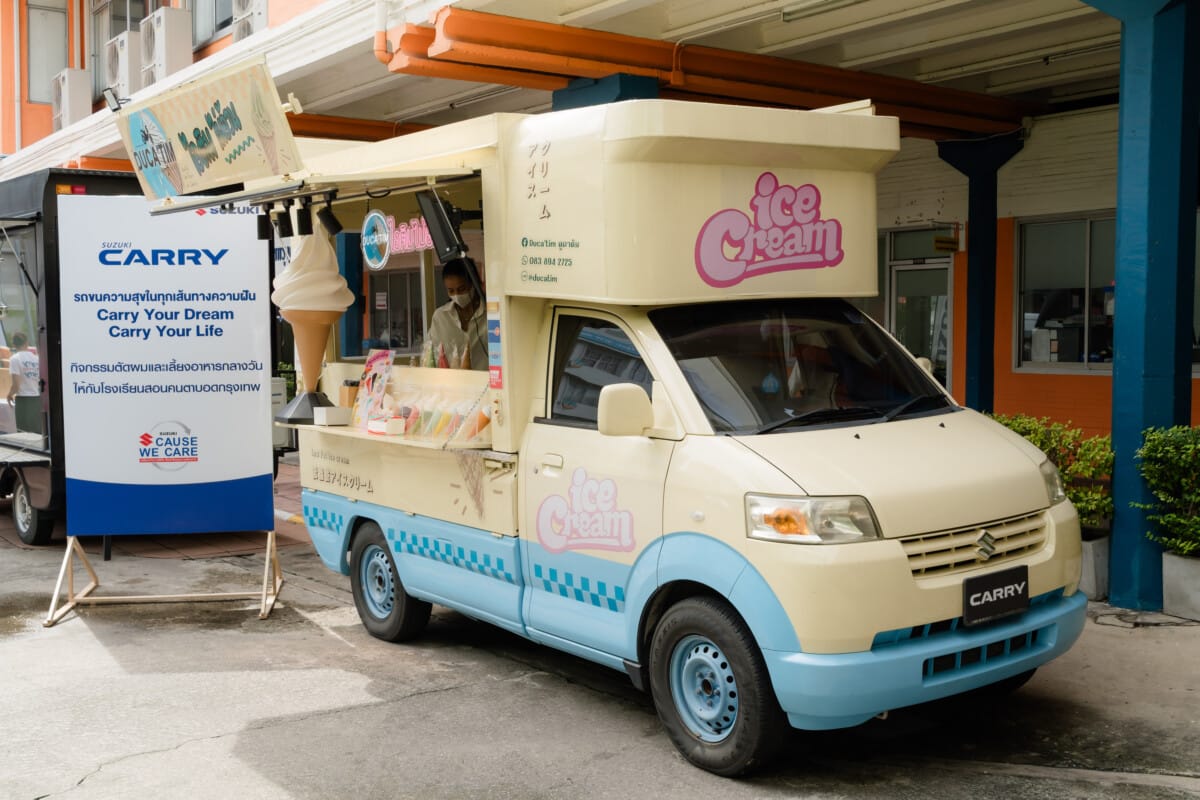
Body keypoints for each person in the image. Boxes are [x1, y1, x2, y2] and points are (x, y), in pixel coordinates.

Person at [428, 258, 487, 370]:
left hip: (486, 379)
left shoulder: (490, 314)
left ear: (473, 284)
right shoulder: (440, 317)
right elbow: (432, 353)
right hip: (451, 379)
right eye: (451, 290)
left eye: (462, 289)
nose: (457, 295)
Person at [7, 331, 42, 434]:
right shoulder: (37, 359)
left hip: (23, 400)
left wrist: (9, 395)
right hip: (36, 398)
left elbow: (16, 385)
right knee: (37, 433)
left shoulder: (14, 359)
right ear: (27, 343)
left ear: (14, 345)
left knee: (23, 433)